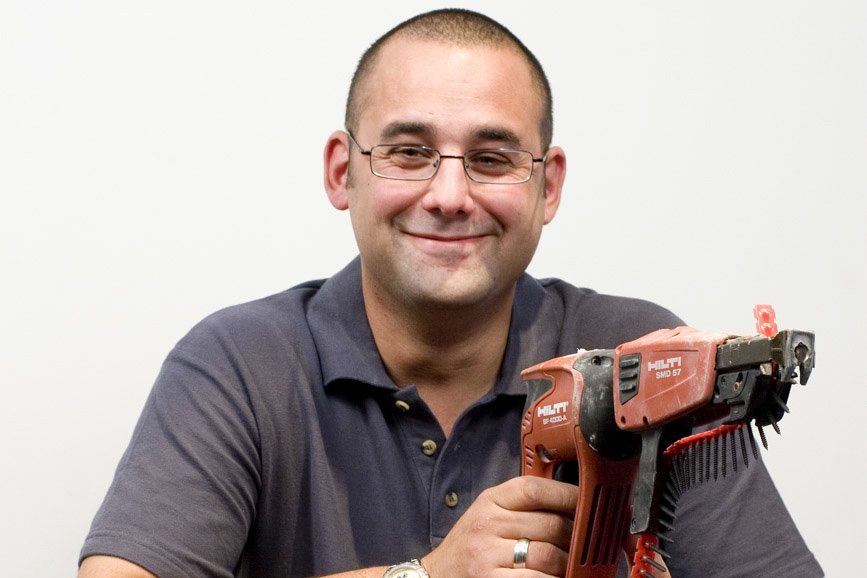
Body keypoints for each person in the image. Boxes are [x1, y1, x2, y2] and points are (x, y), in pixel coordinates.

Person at [78, 9, 823, 578]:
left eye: (492, 158)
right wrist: (425, 576)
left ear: (546, 185)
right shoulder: (241, 363)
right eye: (408, 152)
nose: (449, 194)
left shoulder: (640, 358)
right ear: (343, 172)